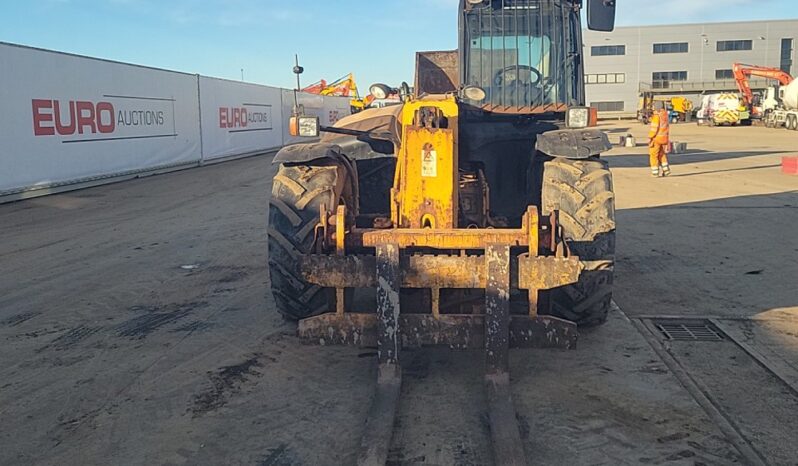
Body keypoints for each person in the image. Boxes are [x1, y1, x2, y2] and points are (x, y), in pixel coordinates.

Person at [648, 102, 672, 177]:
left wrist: (650, 137)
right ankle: (666, 170)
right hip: (664, 138)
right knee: (661, 154)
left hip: (657, 138)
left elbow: (654, 129)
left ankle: (655, 172)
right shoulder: (665, 115)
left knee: (653, 155)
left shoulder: (656, 116)